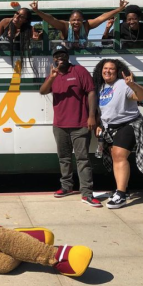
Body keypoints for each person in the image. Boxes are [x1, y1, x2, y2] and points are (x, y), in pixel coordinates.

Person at [39, 45, 101, 207]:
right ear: (53, 58)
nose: (61, 58)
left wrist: (92, 116)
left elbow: (91, 92)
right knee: (64, 158)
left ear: (68, 56)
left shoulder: (79, 71)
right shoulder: (53, 74)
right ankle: (66, 186)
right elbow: (43, 91)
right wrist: (52, 77)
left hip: (81, 123)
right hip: (60, 125)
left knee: (82, 159)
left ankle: (86, 193)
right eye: (57, 55)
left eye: (63, 54)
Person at [92, 59, 143, 209]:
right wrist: (99, 124)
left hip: (128, 124)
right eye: (105, 68)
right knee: (115, 158)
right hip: (110, 128)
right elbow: (102, 111)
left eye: (111, 69)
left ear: (117, 71)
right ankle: (122, 190)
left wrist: (133, 85)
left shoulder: (123, 84)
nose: (108, 71)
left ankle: (121, 194)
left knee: (119, 155)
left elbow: (142, 96)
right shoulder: (101, 87)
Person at [32, 0, 128, 48]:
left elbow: (102, 17)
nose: (76, 22)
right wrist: (37, 11)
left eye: (79, 20)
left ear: (83, 20)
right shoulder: (65, 26)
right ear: (69, 21)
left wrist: (119, 9)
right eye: (73, 20)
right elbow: (51, 19)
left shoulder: (87, 25)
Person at [0, 5, 42, 71]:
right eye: (17, 13)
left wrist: (38, 38)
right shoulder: (5, 22)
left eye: (21, 17)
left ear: (25, 21)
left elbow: (38, 37)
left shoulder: (29, 29)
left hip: (15, 58)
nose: (17, 17)